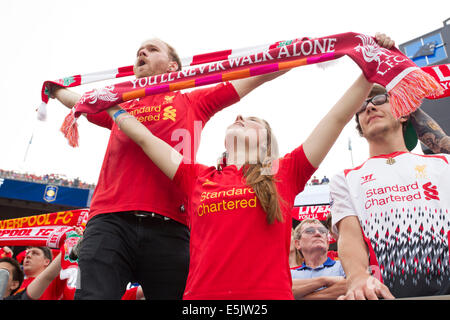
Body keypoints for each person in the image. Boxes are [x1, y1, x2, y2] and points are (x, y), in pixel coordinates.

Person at [101, 33, 393, 299]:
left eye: (252, 120)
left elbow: (337, 117)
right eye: (238, 118)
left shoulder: (287, 171)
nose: (240, 116)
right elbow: (142, 136)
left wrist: (371, 67)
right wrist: (106, 104)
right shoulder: (197, 176)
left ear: (266, 143)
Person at [49, 38, 287, 300]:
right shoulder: (118, 107)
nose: (142, 52)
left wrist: (296, 52)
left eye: (152, 50)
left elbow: (254, 76)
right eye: (140, 50)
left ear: (173, 66)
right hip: (109, 222)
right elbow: (80, 101)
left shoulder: (194, 102)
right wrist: (53, 89)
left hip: (170, 227)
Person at [330, 83, 450, 300]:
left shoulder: (444, 164)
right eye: (361, 106)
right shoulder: (345, 178)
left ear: (406, 115)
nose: (369, 108)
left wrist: (402, 93)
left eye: (379, 100)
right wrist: (357, 277)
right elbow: (350, 238)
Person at [291, 219, 347, 299]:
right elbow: (285, 290)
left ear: (327, 243)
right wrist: (324, 280)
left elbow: (350, 286)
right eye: (309, 231)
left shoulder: (343, 266)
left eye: (322, 231)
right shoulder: (291, 274)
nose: (318, 233)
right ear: (297, 244)